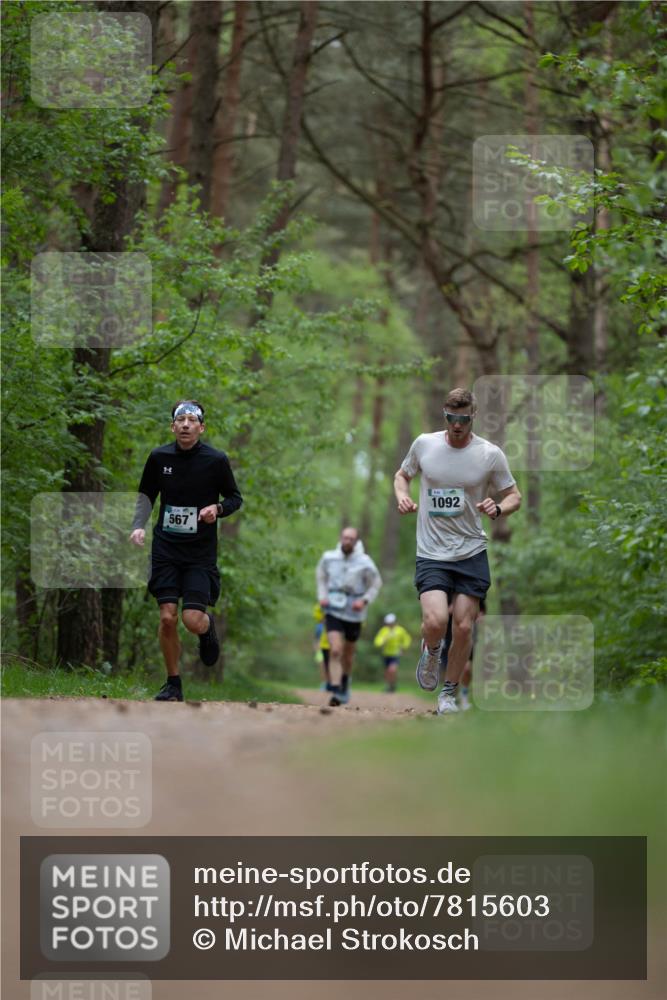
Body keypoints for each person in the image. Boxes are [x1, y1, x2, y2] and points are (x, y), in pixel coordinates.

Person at [394, 387, 521, 715]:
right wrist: (401, 495)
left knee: (465, 626)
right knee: (436, 621)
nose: (456, 425)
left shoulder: (490, 454)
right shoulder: (424, 444)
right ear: (444, 415)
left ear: (472, 417)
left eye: (463, 419)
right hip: (432, 550)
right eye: (451, 418)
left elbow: (514, 495)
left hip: (471, 550)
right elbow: (402, 475)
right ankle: (432, 649)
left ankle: (448, 694)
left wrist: (498, 508)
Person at [129, 400, 243, 702]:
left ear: (201, 427)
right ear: (172, 426)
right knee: (167, 617)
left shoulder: (215, 460)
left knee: (191, 620)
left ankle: (207, 630)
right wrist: (138, 525)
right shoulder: (158, 457)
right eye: (180, 420)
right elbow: (146, 496)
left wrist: (217, 509)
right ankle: (173, 683)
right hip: (166, 547)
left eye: (192, 420)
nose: (185, 424)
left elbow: (235, 498)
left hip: (199, 553)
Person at [316, 526, 382, 706]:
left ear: (356, 541)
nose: (347, 541)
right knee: (335, 649)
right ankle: (336, 690)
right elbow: (321, 578)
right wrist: (322, 597)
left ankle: (345, 679)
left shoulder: (365, 561)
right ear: (341, 538)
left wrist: (365, 600)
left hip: (354, 611)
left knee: (348, 653)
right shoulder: (329, 558)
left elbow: (375, 583)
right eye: (345, 538)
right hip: (333, 608)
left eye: (351, 539)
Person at [440, 597, 486, 710]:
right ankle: (450, 697)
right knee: (450, 667)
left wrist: (481, 616)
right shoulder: (446, 590)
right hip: (449, 634)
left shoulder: (471, 586)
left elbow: (482, 610)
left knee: (467, 668)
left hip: (469, 632)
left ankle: (464, 696)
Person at [373, 613, 412, 692]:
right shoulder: (384, 631)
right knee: (387, 671)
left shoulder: (400, 630)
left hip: (395, 653)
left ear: (394, 622)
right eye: (388, 623)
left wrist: (403, 647)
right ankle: (390, 686)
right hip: (386, 654)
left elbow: (407, 639)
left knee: (392, 670)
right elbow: (377, 641)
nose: (390, 624)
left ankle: (392, 685)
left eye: (391, 623)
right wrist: (382, 642)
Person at [312, 602, 331, 688]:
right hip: (319, 649)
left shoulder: (333, 626)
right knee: (322, 665)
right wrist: (316, 648)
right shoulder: (319, 626)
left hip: (329, 648)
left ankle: (331, 682)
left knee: (330, 664)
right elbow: (316, 639)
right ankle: (324, 682)